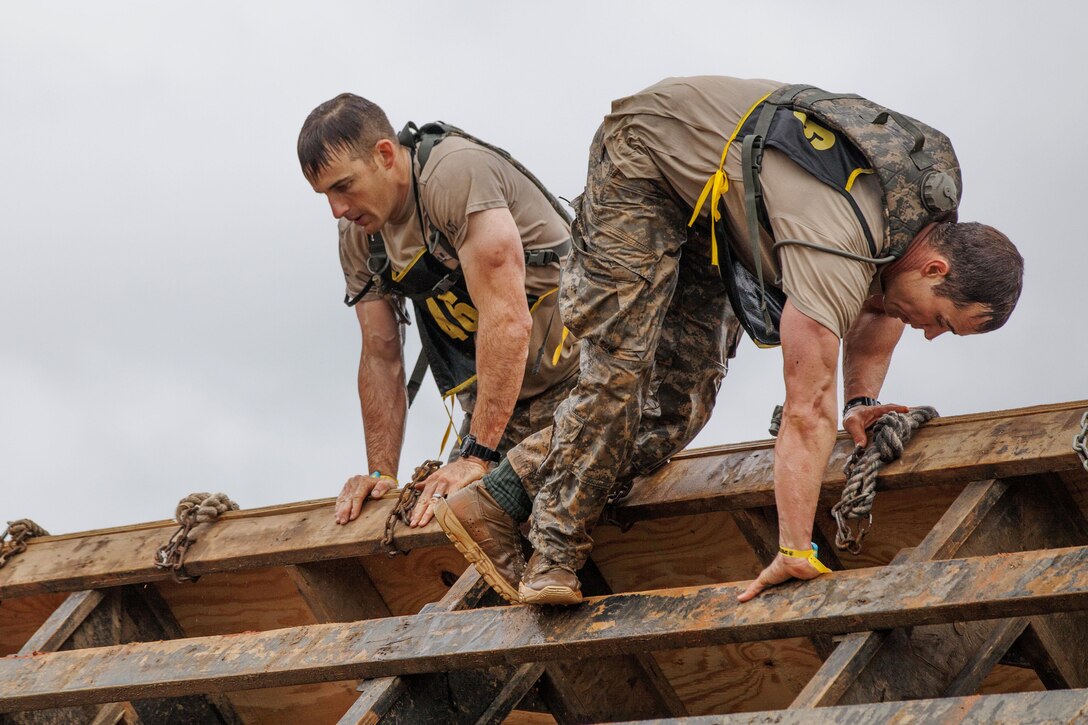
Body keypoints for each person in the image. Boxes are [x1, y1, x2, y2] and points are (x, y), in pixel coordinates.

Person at [434, 76, 1024, 605]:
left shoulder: (915, 228)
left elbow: (883, 307)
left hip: (717, 204)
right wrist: (794, 546)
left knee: (680, 405)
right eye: (942, 322)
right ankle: (554, 556)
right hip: (648, 153)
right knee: (622, 368)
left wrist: (862, 403)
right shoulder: (837, 242)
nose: (929, 334)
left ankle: (498, 496)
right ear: (937, 270)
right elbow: (805, 411)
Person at [297, 95, 579, 560]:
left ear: (385, 155)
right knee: (441, 529)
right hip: (502, 401)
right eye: (325, 195)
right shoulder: (359, 238)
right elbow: (381, 353)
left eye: (344, 186)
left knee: (557, 516)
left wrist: (476, 456)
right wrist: (382, 477)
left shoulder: (454, 175)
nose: (337, 209)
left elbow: (506, 319)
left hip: (582, 380)